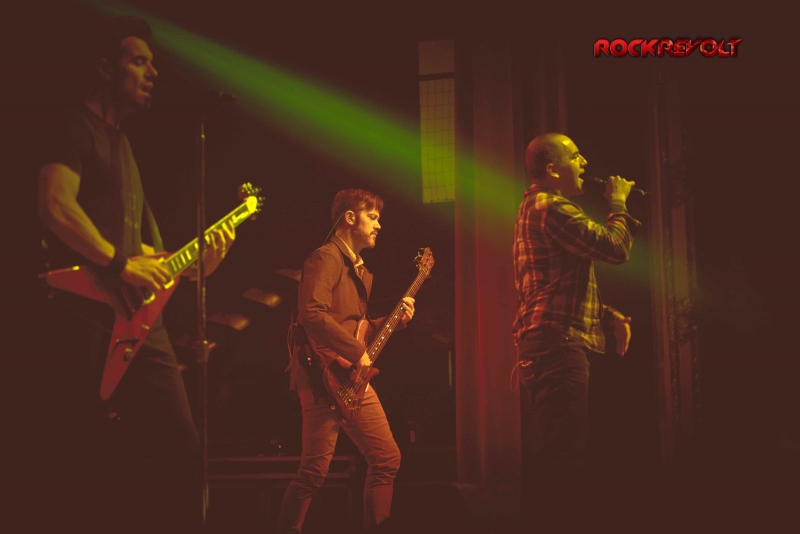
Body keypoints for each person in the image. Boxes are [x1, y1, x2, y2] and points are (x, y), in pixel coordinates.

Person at [35, 15, 234, 526]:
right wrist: (118, 263)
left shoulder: (124, 147)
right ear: (106, 68)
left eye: (153, 63)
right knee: (79, 456)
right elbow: (55, 204)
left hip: (140, 323)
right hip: (83, 315)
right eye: (139, 61)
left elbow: (146, 254)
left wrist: (194, 267)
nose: (153, 73)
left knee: (184, 451)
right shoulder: (72, 126)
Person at [512, 133, 641, 520]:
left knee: (560, 453)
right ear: (553, 170)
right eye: (575, 156)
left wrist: (608, 315)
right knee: (564, 459)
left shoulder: (537, 208)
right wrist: (618, 203)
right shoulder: (551, 207)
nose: (584, 162)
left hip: (549, 341)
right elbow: (615, 248)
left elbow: (554, 285)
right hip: (557, 344)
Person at [278, 189, 415, 533]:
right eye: (373, 217)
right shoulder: (325, 258)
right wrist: (356, 352)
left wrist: (393, 322)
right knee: (316, 471)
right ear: (350, 218)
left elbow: (357, 329)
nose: (379, 225)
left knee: (383, 459)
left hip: (349, 376)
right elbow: (312, 314)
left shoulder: (359, 271)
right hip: (322, 375)